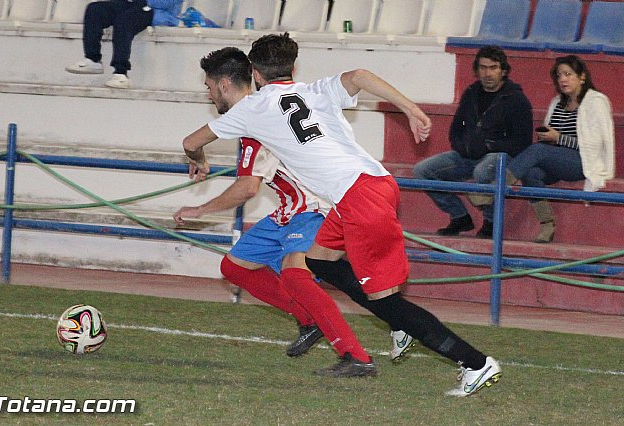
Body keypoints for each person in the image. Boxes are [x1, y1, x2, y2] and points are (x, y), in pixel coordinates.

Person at [182, 33, 501, 396]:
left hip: (359, 197)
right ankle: (394, 320)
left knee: (389, 305)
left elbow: (191, 143)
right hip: (375, 184)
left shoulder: (251, 109)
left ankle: (475, 362)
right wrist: (411, 109)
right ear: (292, 66)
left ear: (254, 72)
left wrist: (200, 161)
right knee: (320, 260)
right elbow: (361, 74)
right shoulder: (315, 91)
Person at [174, 47, 415, 376]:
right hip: (292, 210)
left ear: (224, 84)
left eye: (209, 87)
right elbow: (193, 144)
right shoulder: (256, 113)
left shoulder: (254, 117)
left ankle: (357, 354)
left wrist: (200, 209)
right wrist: (200, 159)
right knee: (235, 267)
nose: (208, 94)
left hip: (316, 206)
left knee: (296, 276)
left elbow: (247, 188)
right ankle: (314, 320)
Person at [413, 45, 533, 238]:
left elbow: (522, 142)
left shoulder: (516, 100)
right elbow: (455, 130)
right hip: (467, 156)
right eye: (483, 68)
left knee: (483, 170)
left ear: (503, 71)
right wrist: (464, 147)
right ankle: (460, 216)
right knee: (422, 171)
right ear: (477, 70)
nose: (487, 73)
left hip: (500, 157)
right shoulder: (470, 93)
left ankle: (491, 222)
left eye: (493, 67)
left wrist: (490, 146)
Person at [503, 55, 615, 243]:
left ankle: (493, 187)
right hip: (558, 159)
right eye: (559, 75)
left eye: (568, 74)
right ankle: (547, 223)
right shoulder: (557, 103)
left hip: (584, 161)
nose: (562, 79)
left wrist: (559, 138)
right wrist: (549, 138)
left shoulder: (596, 101)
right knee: (530, 173)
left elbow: (596, 146)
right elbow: (551, 141)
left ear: (582, 77)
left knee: (538, 151)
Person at [65, 0, 182, 89]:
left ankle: (121, 73)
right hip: (131, 5)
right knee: (94, 9)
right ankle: (93, 59)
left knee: (124, 20)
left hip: (155, 10)